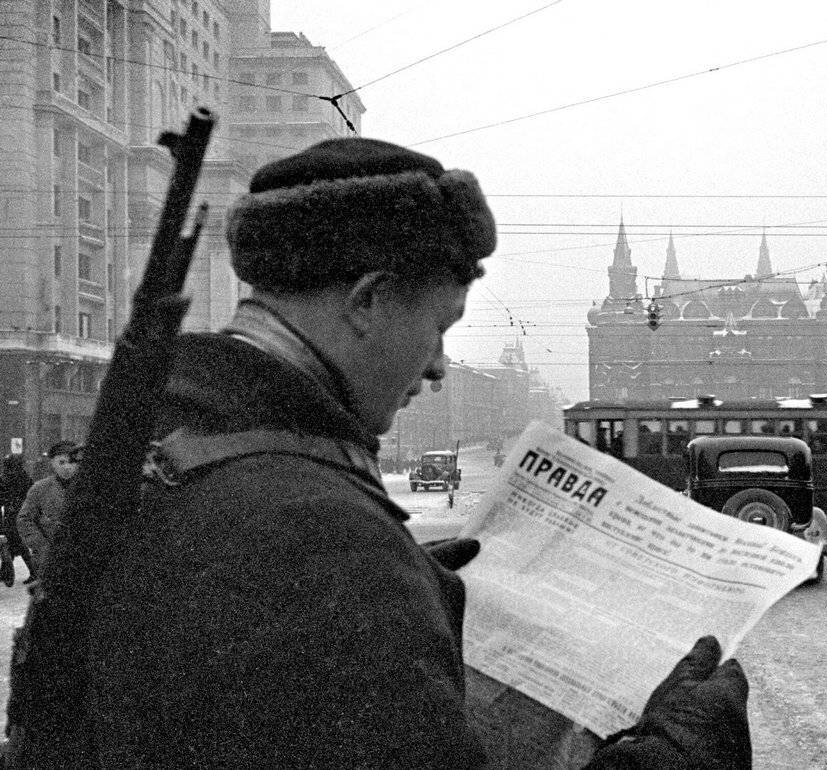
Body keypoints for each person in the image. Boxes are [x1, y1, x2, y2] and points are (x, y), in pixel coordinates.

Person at [71, 138, 749, 768]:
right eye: (439, 326)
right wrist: (679, 753)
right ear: (368, 300)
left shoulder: (187, 448)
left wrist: (392, 586)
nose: (438, 368)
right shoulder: (314, 536)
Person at [15, 440, 79, 578]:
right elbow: (24, 520)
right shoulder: (40, 489)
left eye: (72, 462)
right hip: (49, 562)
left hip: (82, 559)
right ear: (52, 464)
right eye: (61, 462)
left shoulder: (88, 489)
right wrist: (42, 547)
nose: (67, 467)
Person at [0, 454, 35, 585]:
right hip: (21, 513)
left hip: (11, 515)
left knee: (14, 544)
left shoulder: (6, 478)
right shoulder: (25, 477)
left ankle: (31, 572)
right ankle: (6, 571)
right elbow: (30, 495)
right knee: (15, 543)